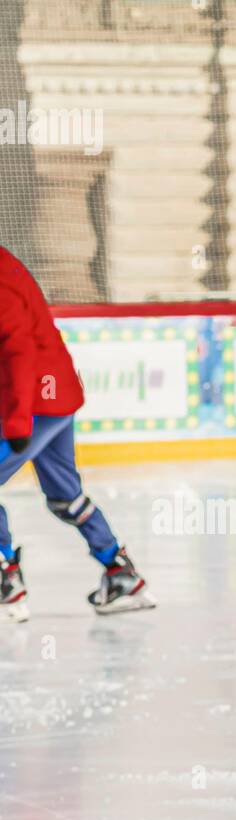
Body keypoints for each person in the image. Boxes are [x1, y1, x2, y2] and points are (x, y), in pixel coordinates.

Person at [0, 243, 154, 621]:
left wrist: (19, 422)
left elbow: (18, 348)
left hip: (36, 401)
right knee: (65, 496)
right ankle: (121, 574)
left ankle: (6, 583)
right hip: (55, 394)